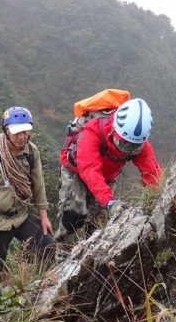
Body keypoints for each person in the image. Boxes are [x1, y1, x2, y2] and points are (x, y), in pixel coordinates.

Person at [56, 97, 162, 241]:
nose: (126, 150)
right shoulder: (92, 130)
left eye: (133, 147)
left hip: (106, 176)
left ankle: (90, 251)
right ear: (114, 129)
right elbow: (89, 168)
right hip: (76, 171)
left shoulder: (139, 143)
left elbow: (151, 172)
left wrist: (157, 198)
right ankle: (59, 246)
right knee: (74, 214)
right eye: (123, 143)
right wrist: (109, 201)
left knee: (99, 224)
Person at [0, 107, 56, 271]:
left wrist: (44, 218)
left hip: (21, 216)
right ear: (6, 131)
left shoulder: (31, 152)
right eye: (17, 132)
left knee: (50, 249)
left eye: (25, 131)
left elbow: (38, 186)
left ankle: (41, 281)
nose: (22, 137)